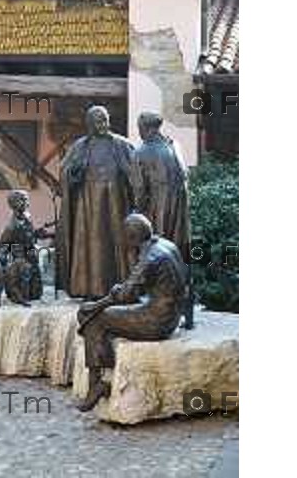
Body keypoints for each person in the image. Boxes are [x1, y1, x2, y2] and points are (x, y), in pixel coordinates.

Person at [76, 214, 188, 412]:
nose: (123, 240)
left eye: (126, 236)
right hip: (172, 314)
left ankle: (97, 384)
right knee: (99, 316)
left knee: (96, 320)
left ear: (133, 238)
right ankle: (104, 365)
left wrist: (97, 305)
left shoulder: (149, 258)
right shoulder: (166, 245)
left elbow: (126, 294)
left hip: (157, 321)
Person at [59, 106, 135, 298]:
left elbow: (135, 175)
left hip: (116, 202)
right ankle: (89, 287)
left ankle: (121, 285)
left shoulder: (122, 144)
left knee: (116, 242)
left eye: (105, 120)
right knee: (90, 245)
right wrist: (74, 172)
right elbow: (65, 171)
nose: (103, 125)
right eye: (98, 121)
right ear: (90, 124)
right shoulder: (80, 146)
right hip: (88, 203)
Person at [132, 111, 193, 328]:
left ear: (145, 128)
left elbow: (139, 191)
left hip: (159, 211)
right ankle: (188, 312)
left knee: (158, 256)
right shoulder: (173, 146)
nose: (138, 131)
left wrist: (136, 218)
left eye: (139, 127)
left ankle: (156, 308)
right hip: (180, 212)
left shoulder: (141, 152)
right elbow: (186, 178)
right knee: (181, 256)